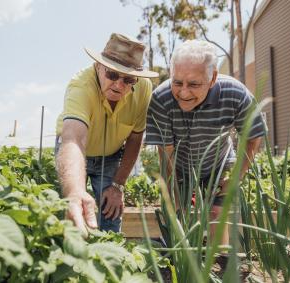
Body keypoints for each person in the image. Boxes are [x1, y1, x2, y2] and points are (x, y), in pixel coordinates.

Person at [145, 40, 266, 246]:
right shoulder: (161, 99)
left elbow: (253, 138)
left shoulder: (235, 94)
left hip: (219, 164)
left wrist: (235, 178)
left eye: (193, 84)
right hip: (180, 166)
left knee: (217, 214)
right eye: (177, 82)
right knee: (178, 218)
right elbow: (166, 154)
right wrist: (175, 199)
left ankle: (218, 263)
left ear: (213, 79)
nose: (183, 92)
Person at [55, 33, 158, 235]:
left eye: (128, 79)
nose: (119, 85)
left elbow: (136, 138)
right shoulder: (81, 86)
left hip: (110, 156)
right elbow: (73, 139)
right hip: (76, 153)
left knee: (111, 214)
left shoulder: (144, 89)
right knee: (73, 212)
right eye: (112, 75)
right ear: (97, 67)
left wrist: (118, 185)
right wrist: (75, 191)